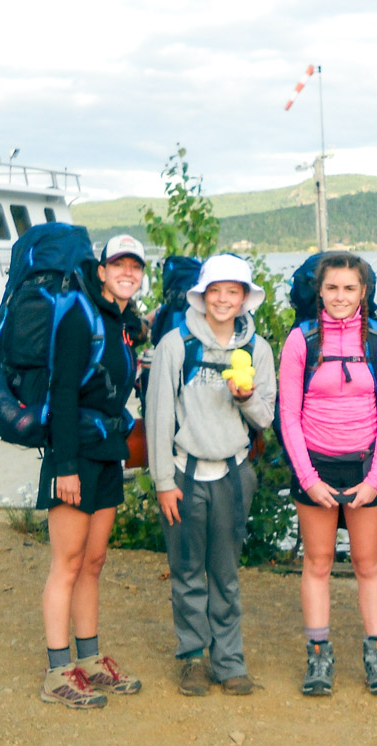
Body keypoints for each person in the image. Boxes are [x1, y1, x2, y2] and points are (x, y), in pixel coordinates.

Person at [145, 254, 276, 698]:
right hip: (184, 475)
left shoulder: (257, 348)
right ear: (202, 296)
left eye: (233, 291)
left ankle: (230, 661)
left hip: (235, 476)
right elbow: (158, 418)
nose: (223, 299)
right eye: (215, 291)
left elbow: (266, 416)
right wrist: (163, 481)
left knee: (226, 572)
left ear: (244, 298)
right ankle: (192, 659)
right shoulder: (175, 345)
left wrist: (246, 397)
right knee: (186, 571)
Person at [278, 252, 377, 696]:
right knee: (318, 563)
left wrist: (376, 478)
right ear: (319, 291)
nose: (341, 297)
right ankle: (318, 657)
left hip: (367, 464)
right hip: (316, 463)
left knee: (368, 565)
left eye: (350, 288)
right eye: (332, 288)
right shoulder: (301, 341)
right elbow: (289, 416)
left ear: (364, 292)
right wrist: (308, 478)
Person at [37, 235, 145, 708]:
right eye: (117, 264)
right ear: (100, 271)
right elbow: (61, 391)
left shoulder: (122, 323)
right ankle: (59, 671)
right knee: (67, 563)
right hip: (74, 454)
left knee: (94, 562)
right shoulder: (80, 315)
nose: (127, 272)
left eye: (134, 266)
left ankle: (90, 659)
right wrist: (63, 466)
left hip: (106, 452)